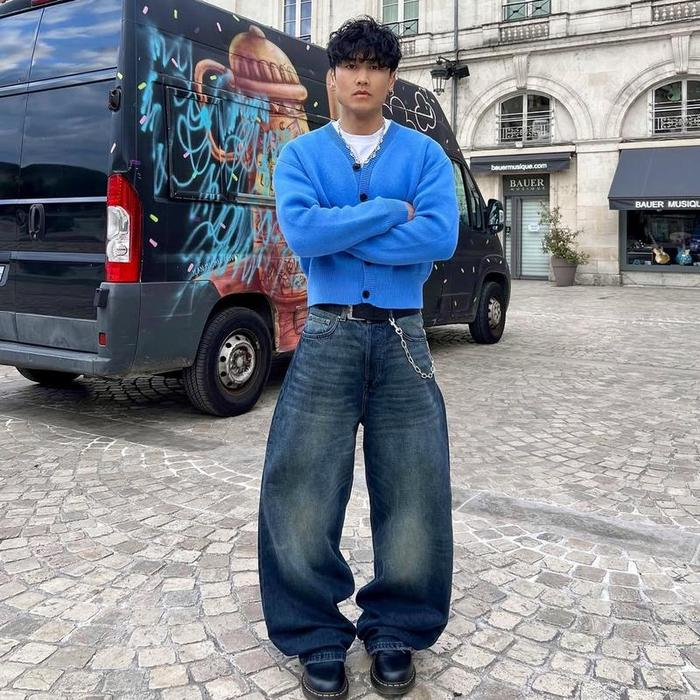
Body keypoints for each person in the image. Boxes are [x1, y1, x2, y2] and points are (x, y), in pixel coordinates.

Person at [257, 16, 458, 700]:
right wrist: (390, 212)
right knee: (302, 487)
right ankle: (315, 634)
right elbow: (303, 234)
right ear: (333, 77)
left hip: (403, 337)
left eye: (376, 65)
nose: (363, 77)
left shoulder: (425, 155)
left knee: (415, 487)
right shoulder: (302, 156)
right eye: (352, 65)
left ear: (391, 79)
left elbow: (440, 238)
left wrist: (340, 231)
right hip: (327, 333)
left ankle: (396, 629)